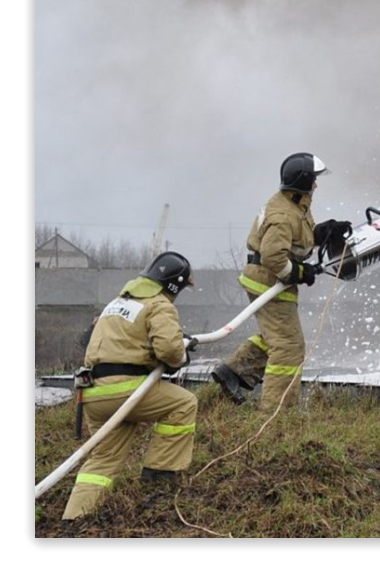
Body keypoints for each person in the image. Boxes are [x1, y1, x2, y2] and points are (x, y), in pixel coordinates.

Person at [62, 252, 198, 520]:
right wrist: (181, 354)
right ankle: (159, 475)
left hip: (93, 393)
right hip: (126, 390)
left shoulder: (115, 303)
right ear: (173, 284)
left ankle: (74, 519)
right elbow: (170, 352)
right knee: (184, 403)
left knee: (102, 459)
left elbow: (125, 339)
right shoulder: (160, 304)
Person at [212, 152, 347, 409]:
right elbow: (274, 257)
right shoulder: (284, 214)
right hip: (268, 281)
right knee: (288, 347)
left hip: (264, 279)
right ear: (304, 181)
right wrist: (298, 273)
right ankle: (277, 414)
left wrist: (324, 231)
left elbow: (298, 239)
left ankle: (234, 371)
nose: (316, 185)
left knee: (275, 334)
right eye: (314, 180)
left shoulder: (293, 204)